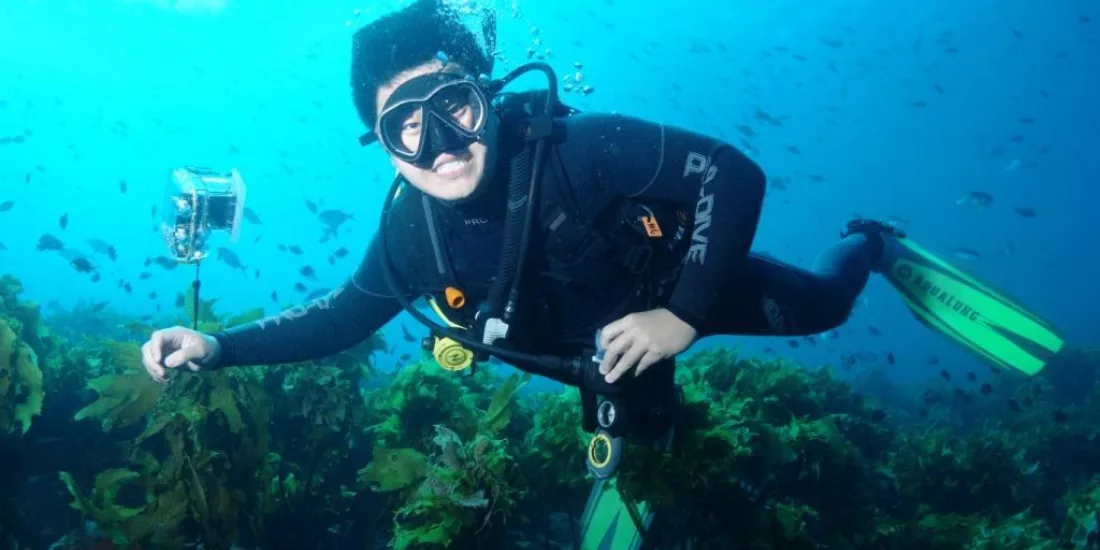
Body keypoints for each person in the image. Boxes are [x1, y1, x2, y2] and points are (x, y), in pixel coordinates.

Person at [141, 0, 1063, 445]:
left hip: (675, 291)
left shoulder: (582, 150)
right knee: (641, 441)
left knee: (825, 305)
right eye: (405, 126)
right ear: (381, 145)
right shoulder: (409, 236)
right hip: (598, 353)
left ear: (486, 96)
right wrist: (216, 346)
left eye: (454, 104)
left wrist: (687, 315)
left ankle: (876, 243)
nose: (442, 141)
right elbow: (342, 316)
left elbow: (733, 175)